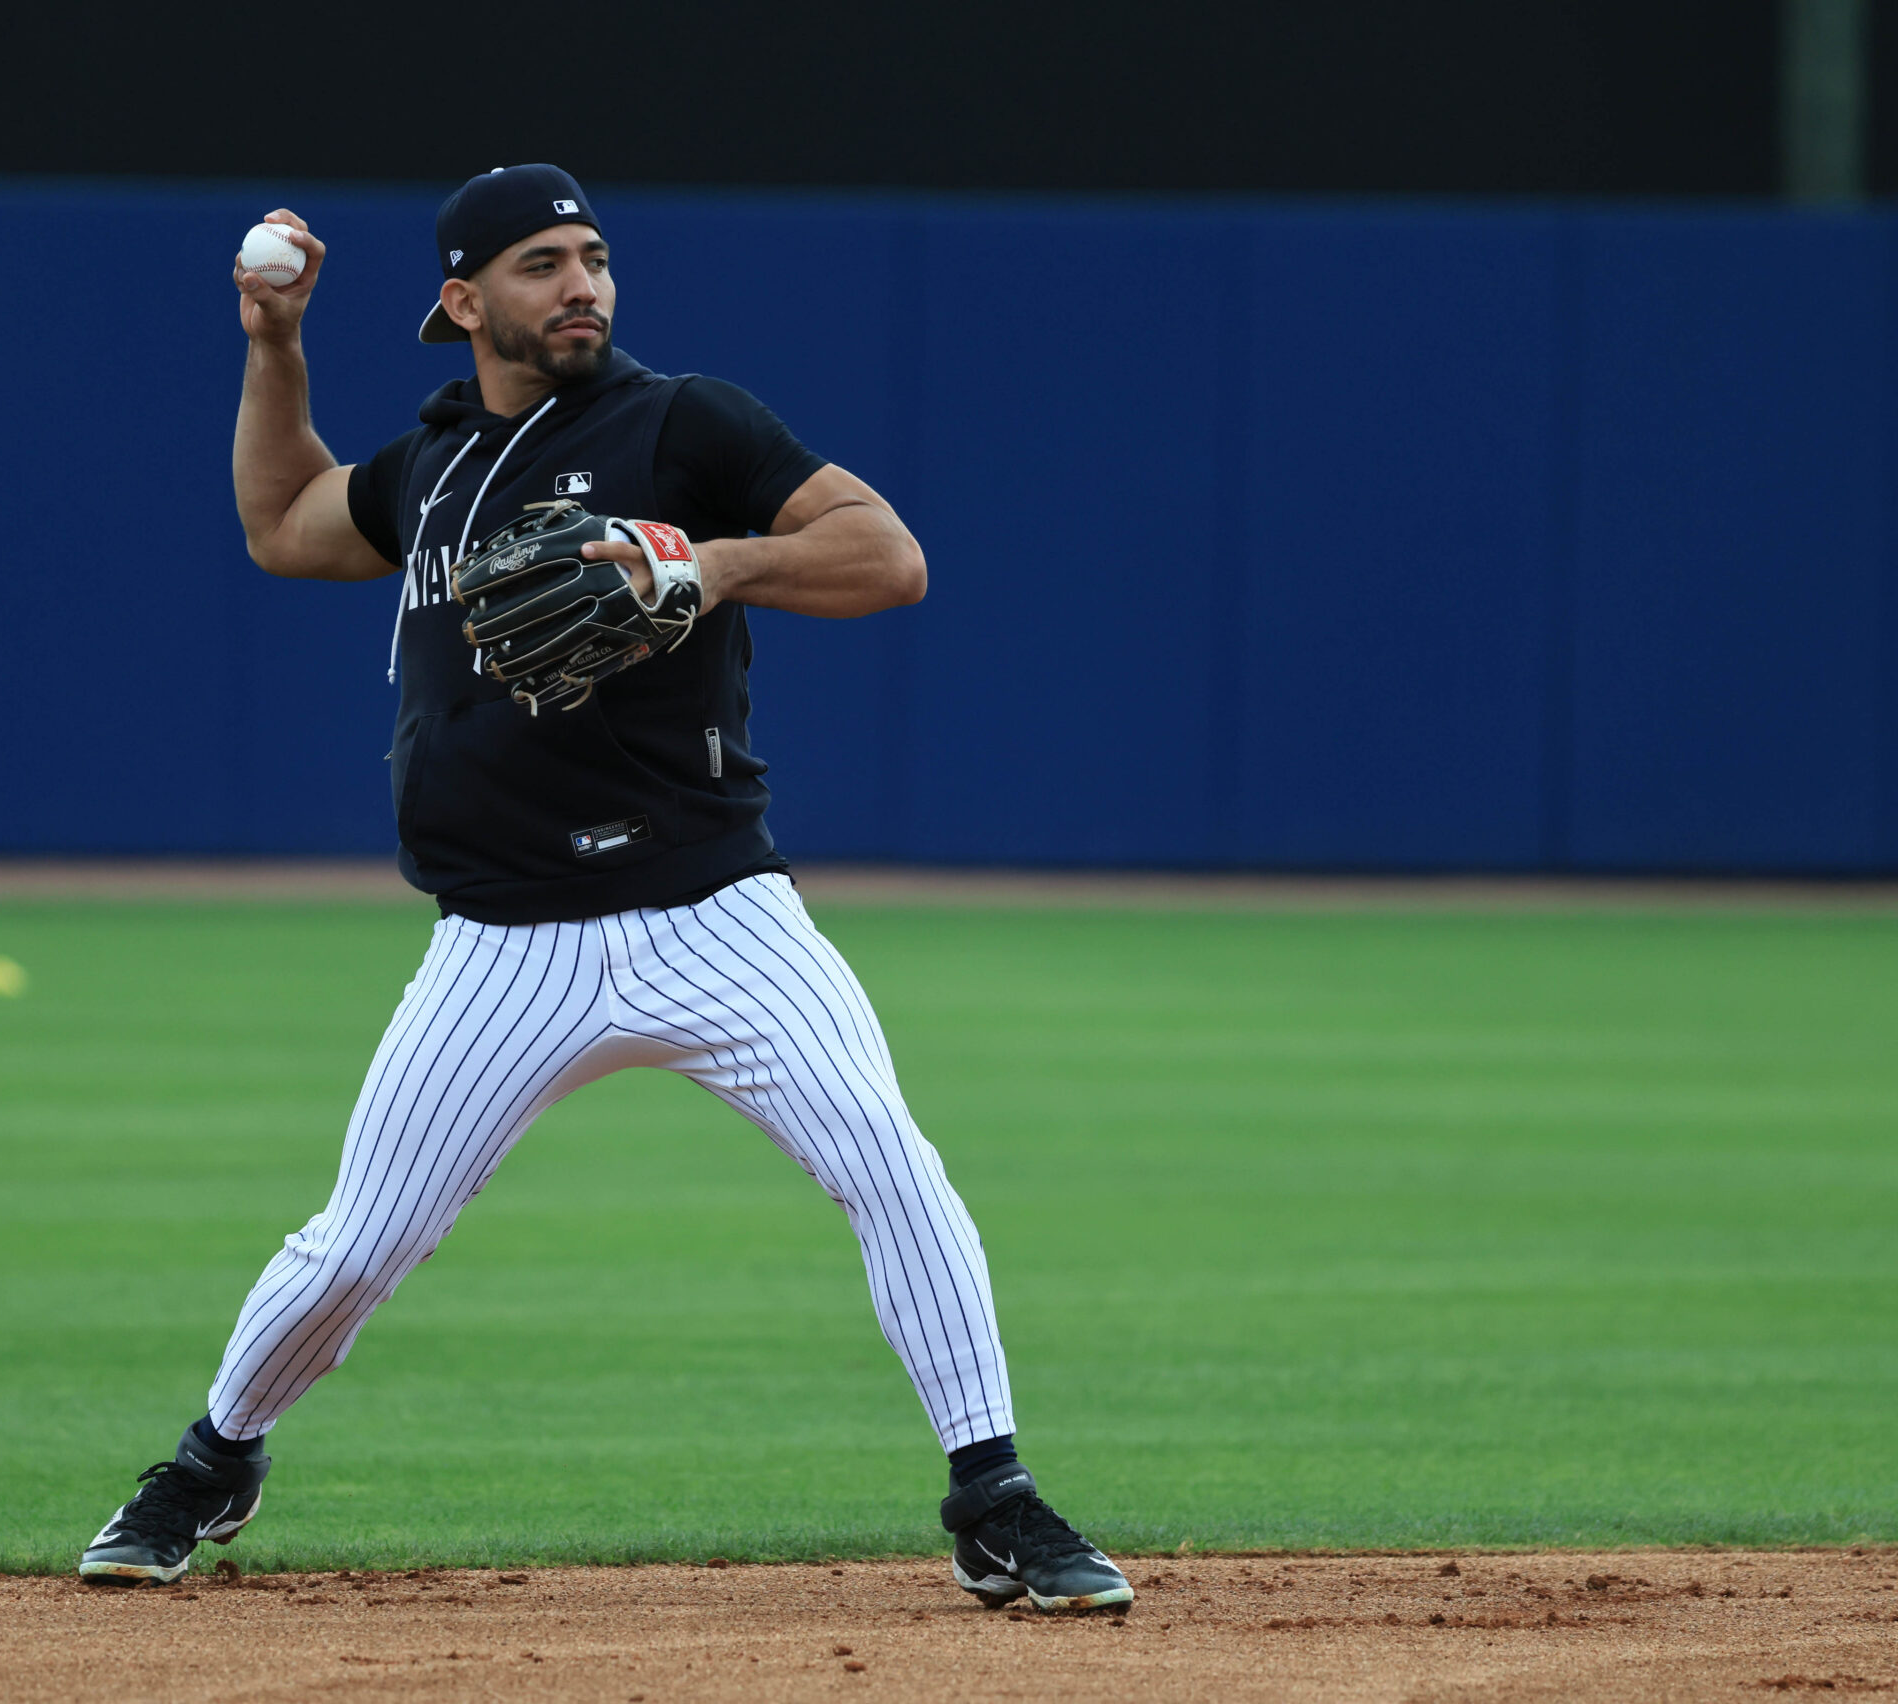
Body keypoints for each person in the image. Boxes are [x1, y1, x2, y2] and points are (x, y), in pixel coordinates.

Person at [76, 164, 1133, 1616]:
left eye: (592, 256)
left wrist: (711, 561)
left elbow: (886, 558)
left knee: (892, 1165)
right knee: (362, 1241)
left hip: (716, 916)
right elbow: (285, 525)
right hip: (501, 943)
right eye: (540, 264)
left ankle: (993, 1496)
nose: (582, 284)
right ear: (464, 301)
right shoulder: (436, 464)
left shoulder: (682, 423)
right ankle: (212, 1461)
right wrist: (275, 347)